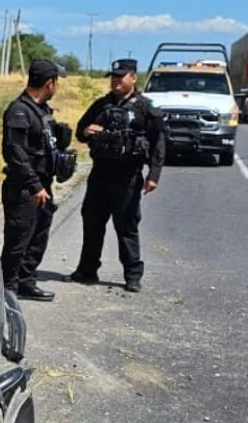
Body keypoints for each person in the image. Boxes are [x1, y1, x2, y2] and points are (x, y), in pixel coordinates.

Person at [71, 58, 166, 293]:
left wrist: (153, 175)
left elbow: (159, 142)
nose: (115, 81)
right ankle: (87, 270)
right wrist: (86, 131)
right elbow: (81, 131)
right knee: (92, 224)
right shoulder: (101, 105)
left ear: (133, 78)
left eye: (120, 76)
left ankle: (133, 275)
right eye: (113, 76)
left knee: (127, 228)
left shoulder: (146, 107)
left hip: (128, 178)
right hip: (100, 175)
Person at [0, 59, 72, 302]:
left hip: (43, 184)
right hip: (25, 188)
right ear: (49, 83)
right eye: (56, 83)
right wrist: (34, 185)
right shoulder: (19, 111)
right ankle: (7, 288)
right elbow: (15, 153)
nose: (57, 87)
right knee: (18, 240)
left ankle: (26, 282)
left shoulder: (41, 111)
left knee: (37, 237)